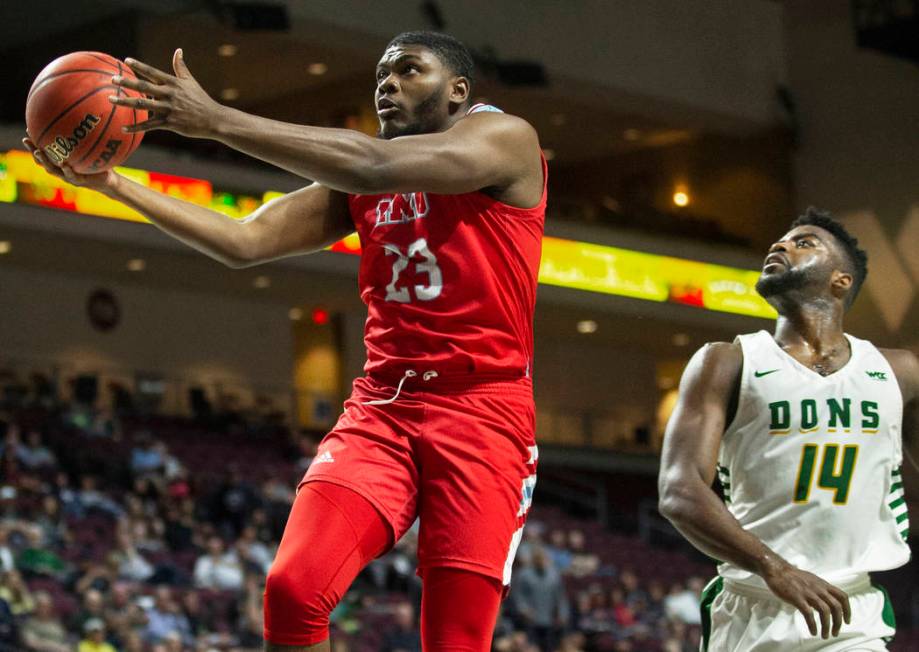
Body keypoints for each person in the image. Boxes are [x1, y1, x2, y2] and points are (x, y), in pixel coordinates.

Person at [26, 29, 545, 652]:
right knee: (293, 589)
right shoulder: (362, 178)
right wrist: (113, 185)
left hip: (483, 412)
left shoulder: (507, 140)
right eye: (381, 73)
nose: (387, 83)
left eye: (409, 71)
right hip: (384, 406)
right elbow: (246, 240)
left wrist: (216, 121)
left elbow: (371, 163)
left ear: (458, 90)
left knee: (455, 641)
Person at [658, 208, 918, 651]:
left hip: (851, 611)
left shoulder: (899, 371)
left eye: (804, 242)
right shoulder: (727, 362)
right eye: (779, 241)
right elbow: (679, 491)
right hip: (753, 604)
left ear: (841, 280)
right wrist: (774, 567)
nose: (780, 246)